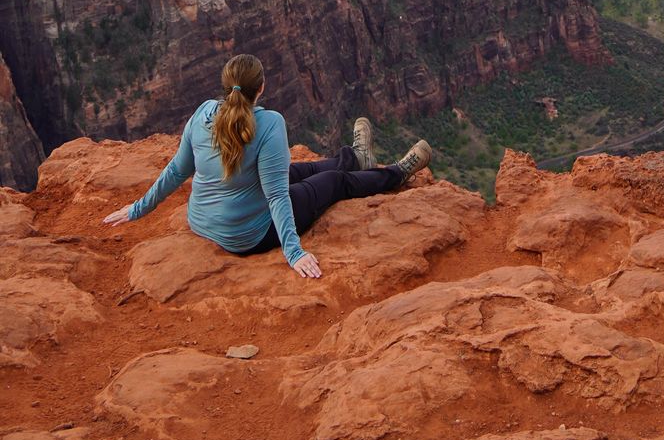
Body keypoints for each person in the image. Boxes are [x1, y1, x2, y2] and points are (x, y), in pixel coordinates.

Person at [102, 53, 432, 280]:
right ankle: (396, 174)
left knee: (300, 171)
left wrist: (137, 209)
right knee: (333, 181)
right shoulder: (270, 123)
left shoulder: (203, 112)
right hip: (250, 234)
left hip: (202, 220)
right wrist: (294, 252)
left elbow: (177, 170)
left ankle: (358, 158)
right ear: (261, 87)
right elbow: (276, 196)